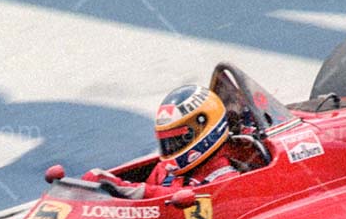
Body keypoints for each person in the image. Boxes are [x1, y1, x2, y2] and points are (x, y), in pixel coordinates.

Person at [82, 85, 239, 198]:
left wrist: (128, 189)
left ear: (207, 129)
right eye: (167, 141)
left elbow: (198, 200)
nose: (171, 147)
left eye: (178, 139)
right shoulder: (164, 169)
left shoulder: (225, 179)